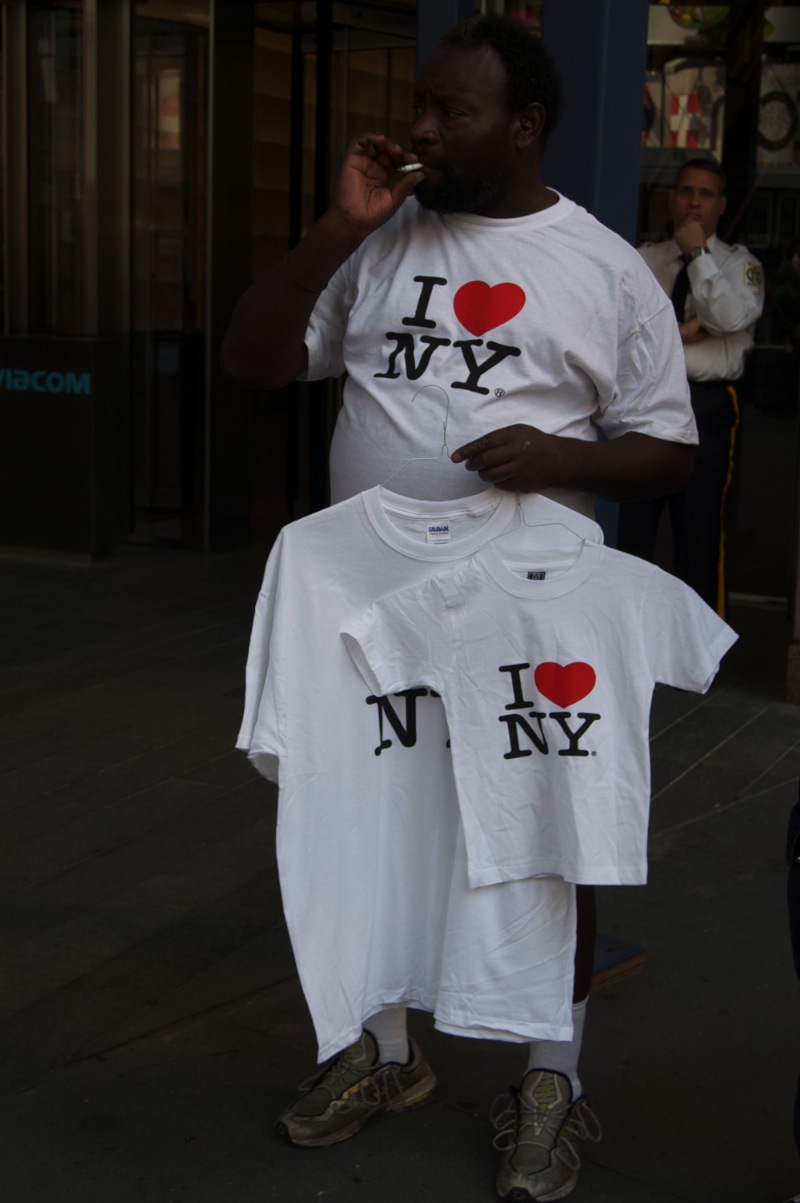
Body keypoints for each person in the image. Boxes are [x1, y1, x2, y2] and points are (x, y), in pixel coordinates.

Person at [222, 14, 697, 1201]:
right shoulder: (378, 242)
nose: (421, 129)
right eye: (420, 104)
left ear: (522, 125)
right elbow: (252, 361)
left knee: (544, 829)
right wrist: (337, 228)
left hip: (525, 614)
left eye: (453, 111)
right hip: (369, 593)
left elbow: (668, 453)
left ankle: (550, 1083)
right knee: (367, 818)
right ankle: (384, 1052)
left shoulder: (603, 270)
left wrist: (561, 457)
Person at [617, 158, 764, 617]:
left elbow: (729, 317)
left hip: (705, 405)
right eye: (686, 191)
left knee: (699, 533)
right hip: (646, 402)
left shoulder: (739, 265)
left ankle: (700, 644)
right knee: (632, 532)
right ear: (671, 199)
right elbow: (620, 332)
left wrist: (699, 255)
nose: (694, 202)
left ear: (721, 204)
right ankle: (628, 637)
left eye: (705, 194)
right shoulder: (645, 260)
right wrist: (679, 332)